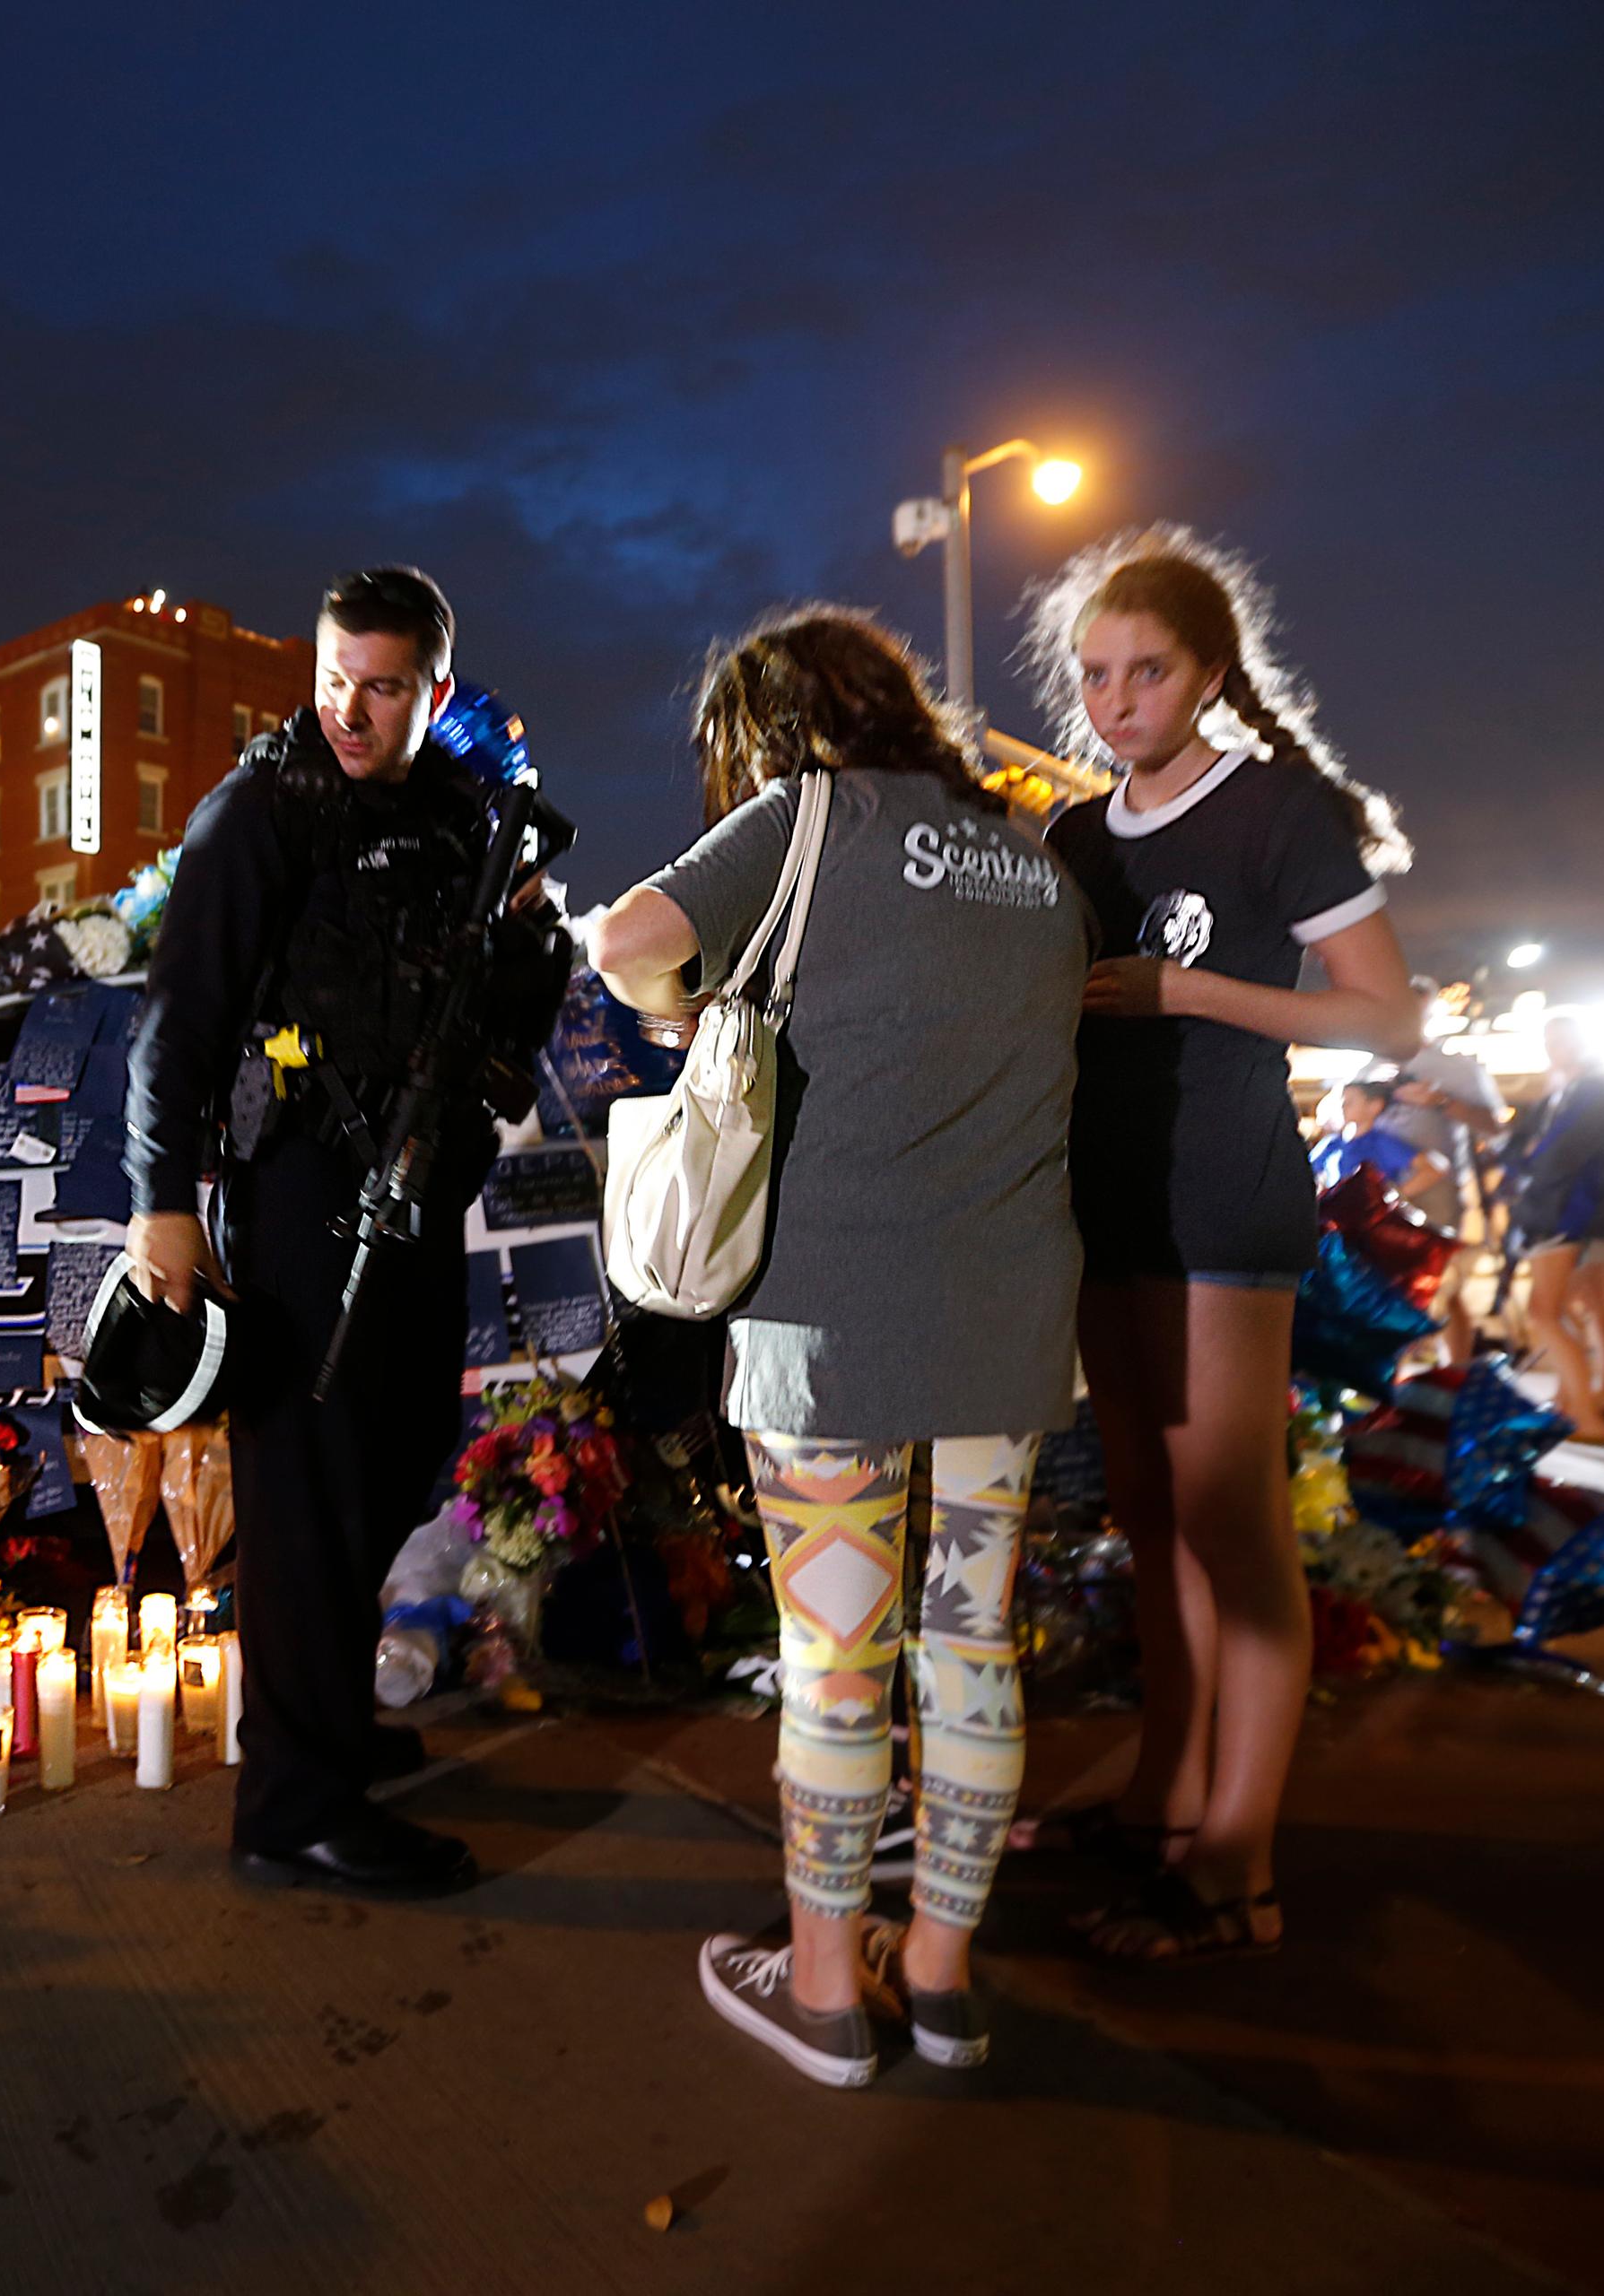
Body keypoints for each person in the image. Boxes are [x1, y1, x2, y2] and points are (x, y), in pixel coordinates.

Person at [583, 604, 1087, 2084]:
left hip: (832, 1325)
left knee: (837, 1664)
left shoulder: (806, 819)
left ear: (774, 731)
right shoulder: (1032, 858)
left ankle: (820, 1993)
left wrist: (690, 996)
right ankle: (938, 1980)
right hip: (1012, 1313)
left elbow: (626, 943)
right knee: (972, 1647)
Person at [124, 567, 568, 1894]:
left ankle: (312, 1728)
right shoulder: (263, 809)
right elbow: (178, 1022)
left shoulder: (457, 819)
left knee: (403, 1444)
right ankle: (295, 1811)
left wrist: (531, 938)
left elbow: (508, 1001)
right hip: (305, 1186)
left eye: (382, 688)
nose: (351, 712)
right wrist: (161, 1203)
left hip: (421, 1178)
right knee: (308, 1481)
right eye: (334, 680)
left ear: (435, 690)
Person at [1025, 528, 1425, 1961]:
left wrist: (1183, 991)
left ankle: (1236, 1872)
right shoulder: (1072, 835)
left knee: (1229, 1523)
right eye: (1095, 675)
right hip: (1103, 1199)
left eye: (1148, 670)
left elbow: (1393, 1017)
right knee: (1144, 1512)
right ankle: (1160, 1802)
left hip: (1223, 1199)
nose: (1117, 699)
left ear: (1207, 674)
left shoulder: (1276, 816)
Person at [1504, 1013, 1604, 1436]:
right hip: (1596, 1209)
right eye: (1549, 1041)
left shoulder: (1594, 1089)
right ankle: (1585, 1399)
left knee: (1555, 1310)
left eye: (1562, 1040)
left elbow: (1560, 1154)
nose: (1554, 1049)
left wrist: (1528, 1157)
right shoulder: (1585, 1088)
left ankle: (1586, 1408)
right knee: (1582, 1304)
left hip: (1579, 1211)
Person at [1384, 985, 1512, 1366]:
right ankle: (1391, 1376)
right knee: (1382, 1285)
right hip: (1377, 1195)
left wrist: (1440, 1100)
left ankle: (1454, 1374)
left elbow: (1496, 1127)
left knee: (1441, 1283)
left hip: (1435, 1195)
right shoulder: (1367, 1064)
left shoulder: (1458, 1068)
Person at [1312, 1074, 1445, 1200]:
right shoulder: (1330, 1143)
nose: (1343, 1107)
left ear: (1375, 1106)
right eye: (1341, 1101)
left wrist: (1390, 1199)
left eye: (1350, 1102)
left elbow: (1431, 1171)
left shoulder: (1381, 1143)